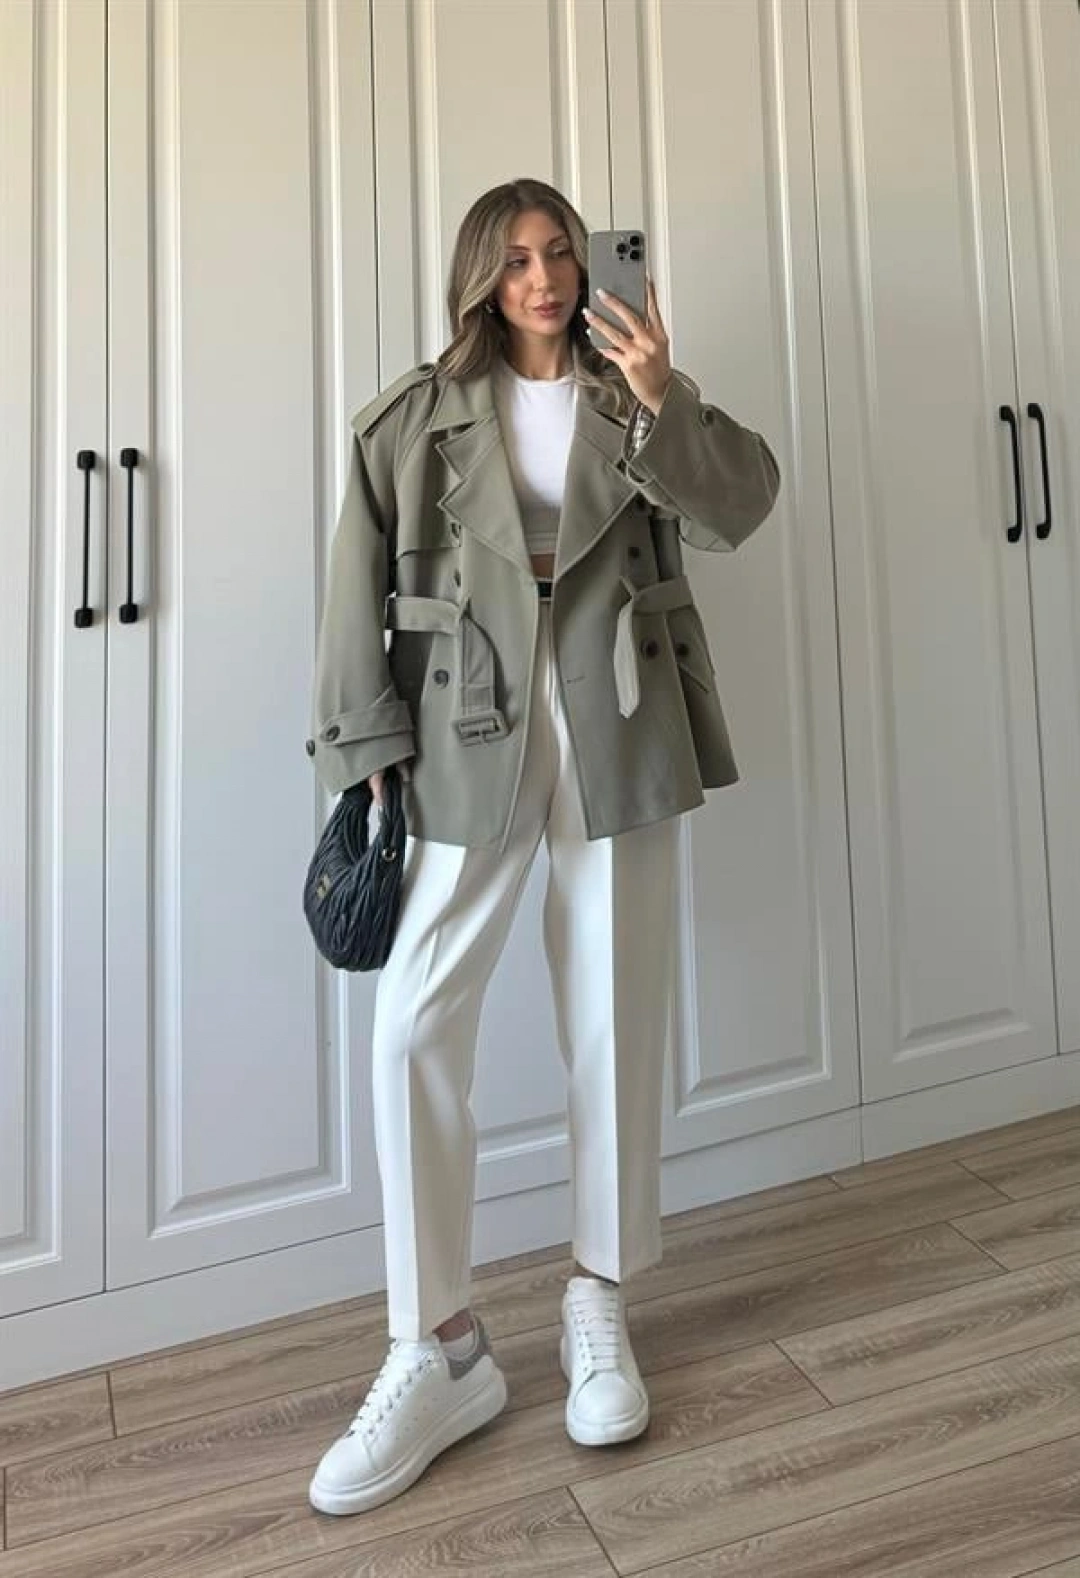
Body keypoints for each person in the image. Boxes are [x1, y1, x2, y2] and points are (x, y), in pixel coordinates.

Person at [305, 177, 780, 1516]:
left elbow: (742, 505)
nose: (545, 277)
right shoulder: (415, 418)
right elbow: (352, 586)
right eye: (515, 257)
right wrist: (364, 742)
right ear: (481, 274)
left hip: (618, 718)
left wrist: (665, 394)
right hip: (466, 733)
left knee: (615, 1018)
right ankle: (438, 1343)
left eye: (562, 252)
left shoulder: (635, 392)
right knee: (412, 1025)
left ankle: (598, 1296)